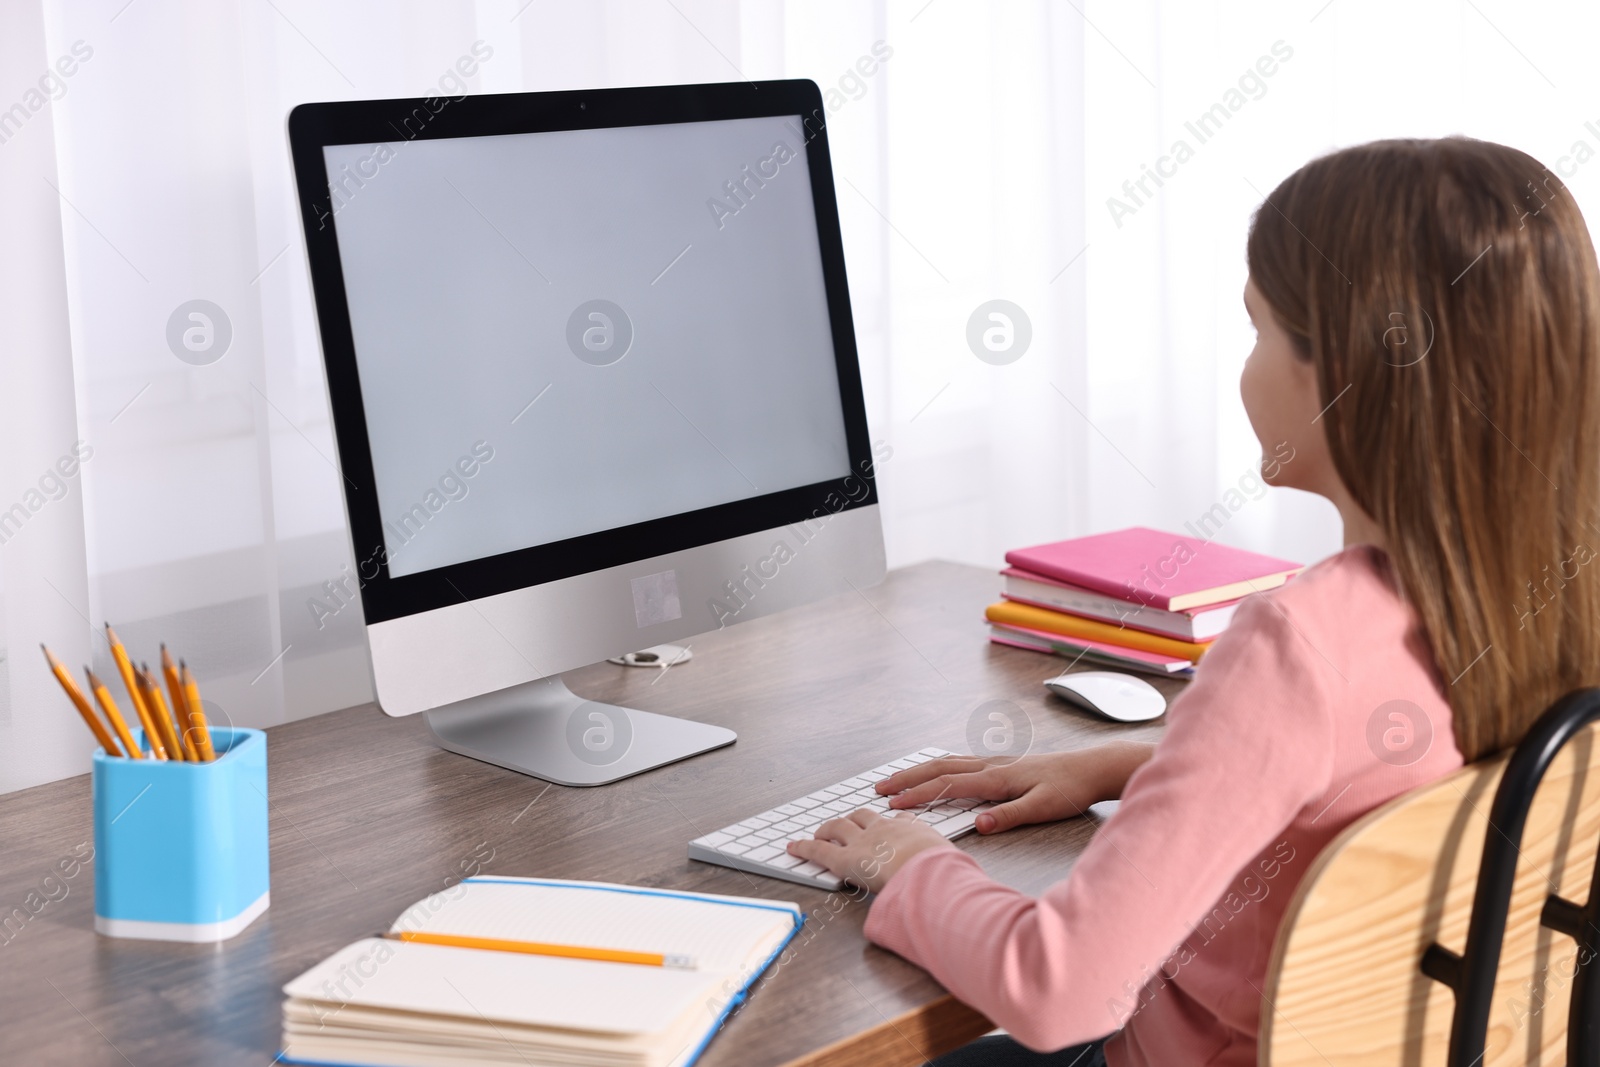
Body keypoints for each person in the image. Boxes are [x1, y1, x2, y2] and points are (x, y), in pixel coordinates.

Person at [788, 137, 1600, 1066]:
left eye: (1257, 329)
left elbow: (1060, 990)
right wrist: (1134, 764)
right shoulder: (1554, 593)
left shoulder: (1300, 645)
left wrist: (912, 865)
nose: (1244, 368)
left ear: (1340, 369)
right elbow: (1378, 775)